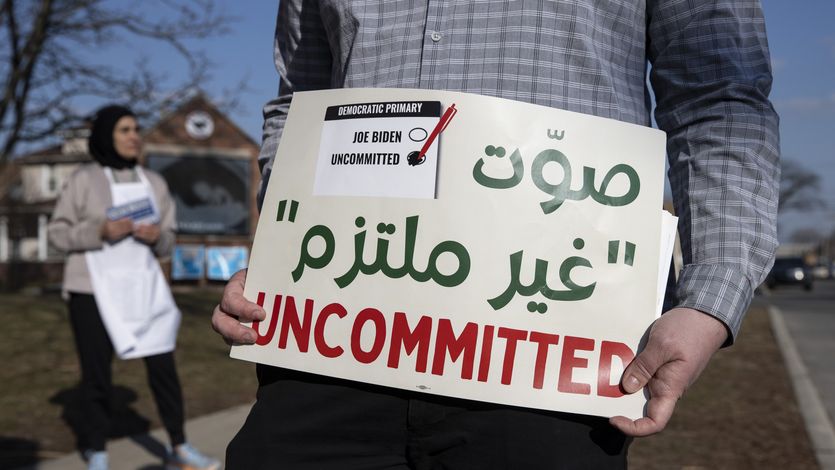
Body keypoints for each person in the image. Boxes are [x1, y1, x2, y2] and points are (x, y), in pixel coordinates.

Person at [213, 1, 780, 468]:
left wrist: (711, 297)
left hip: (550, 354)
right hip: (335, 334)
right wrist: (280, 254)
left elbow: (717, 98)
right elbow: (301, 100)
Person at [48, 105, 221, 470]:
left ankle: (179, 446)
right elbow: (57, 234)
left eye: (136, 129)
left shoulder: (154, 183)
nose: (133, 136)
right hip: (91, 291)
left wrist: (158, 237)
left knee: (163, 368)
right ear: (106, 135)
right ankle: (96, 451)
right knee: (97, 376)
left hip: (143, 288)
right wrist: (98, 231)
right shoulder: (84, 179)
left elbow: (169, 240)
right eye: (124, 130)